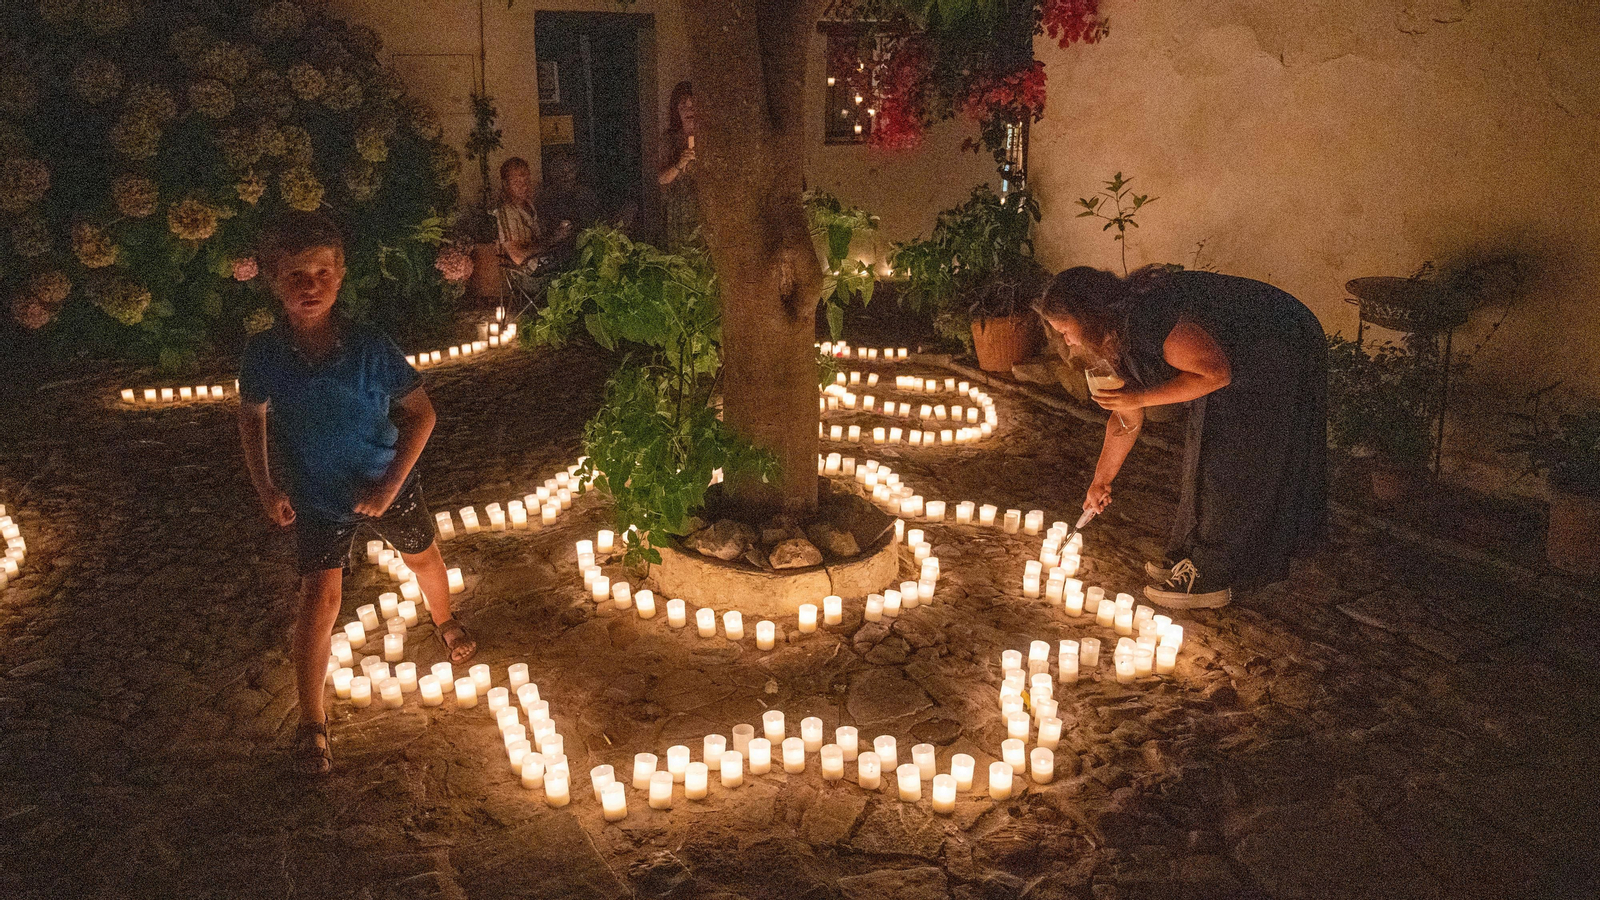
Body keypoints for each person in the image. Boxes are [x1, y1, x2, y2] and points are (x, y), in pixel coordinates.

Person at [238, 212, 477, 776]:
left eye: (322, 273)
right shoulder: (264, 355)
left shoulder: (371, 348)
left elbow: (422, 413)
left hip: (384, 479)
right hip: (318, 496)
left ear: (340, 279)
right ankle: (312, 723)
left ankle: (443, 619)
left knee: (423, 557)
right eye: (296, 275)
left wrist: (392, 483)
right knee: (318, 601)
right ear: (275, 282)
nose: (310, 285)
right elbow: (252, 417)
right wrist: (265, 484)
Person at [1037, 266, 1328, 609]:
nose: (1069, 342)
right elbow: (1126, 417)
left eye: (1067, 331)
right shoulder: (1117, 332)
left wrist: (1141, 398)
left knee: (1236, 458)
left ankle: (1215, 574)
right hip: (1244, 352)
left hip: (1277, 344)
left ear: (1090, 315)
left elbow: (1215, 373)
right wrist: (1100, 480)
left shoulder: (1146, 322)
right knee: (1204, 444)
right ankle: (1191, 553)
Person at [495, 157, 569, 295]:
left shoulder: (529, 206)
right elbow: (517, 256)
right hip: (530, 274)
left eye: (526, 181)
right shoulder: (506, 213)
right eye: (517, 182)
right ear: (506, 185)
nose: (524, 186)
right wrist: (552, 240)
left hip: (547, 262)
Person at [535, 148, 604, 269]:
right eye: (561, 172)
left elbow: (596, 222)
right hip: (555, 253)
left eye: (570, 171)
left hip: (585, 248)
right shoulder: (547, 198)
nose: (566, 176)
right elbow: (543, 230)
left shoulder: (585, 194)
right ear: (553, 175)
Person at [657, 80, 700, 248]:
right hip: (679, 212)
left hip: (704, 209)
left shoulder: (711, 137)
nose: (689, 110)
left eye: (693, 105)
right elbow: (661, 178)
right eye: (683, 105)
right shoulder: (669, 140)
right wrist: (679, 164)